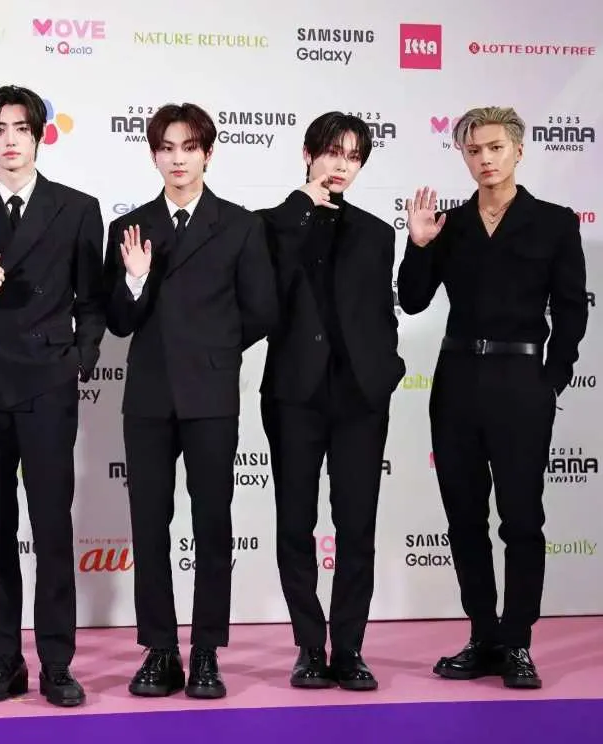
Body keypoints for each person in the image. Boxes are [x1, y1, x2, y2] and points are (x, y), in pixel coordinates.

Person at [397, 106, 588, 689]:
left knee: (522, 519)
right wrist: (418, 244)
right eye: (474, 150)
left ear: (518, 151)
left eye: (496, 148)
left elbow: (572, 309)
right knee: (464, 518)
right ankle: (483, 636)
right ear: (463, 155)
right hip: (457, 380)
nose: (485, 159)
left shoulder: (553, 222)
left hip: (521, 381)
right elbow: (413, 299)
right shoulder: (449, 225)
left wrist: (551, 377)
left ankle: (518, 642)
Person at [0, 84, 106, 708]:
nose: (10, 140)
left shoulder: (77, 208)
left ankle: (57, 664)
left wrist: (77, 360)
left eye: (21, 129)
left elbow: (92, 301)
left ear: (39, 135)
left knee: (52, 526)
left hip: (48, 385)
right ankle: (5, 660)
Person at [103, 103, 277, 700]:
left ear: (208, 153)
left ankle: (206, 650)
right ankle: (159, 650)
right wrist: (135, 278)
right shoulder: (130, 227)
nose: (178, 159)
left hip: (211, 393)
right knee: (149, 525)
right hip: (148, 397)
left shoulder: (240, 225)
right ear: (154, 155)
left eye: (189, 147)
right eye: (167, 148)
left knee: (212, 525)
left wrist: (213, 349)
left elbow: (262, 310)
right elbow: (118, 322)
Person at [257, 112, 406, 691]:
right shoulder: (271, 224)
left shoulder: (376, 233)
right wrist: (302, 206)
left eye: (353, 157)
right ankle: (308, 647)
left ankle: (348, 648)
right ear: (308, 154)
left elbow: (381, 313)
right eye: (332, 153)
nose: (342, 165)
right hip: (294, 394)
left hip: (359, 398)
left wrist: (386, 368)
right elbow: (265, 290)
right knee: (295, 523)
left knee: (356, 525)